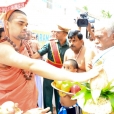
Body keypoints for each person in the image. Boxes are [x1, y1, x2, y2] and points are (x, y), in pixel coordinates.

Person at [0, 9, 101, 113]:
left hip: (31, 106)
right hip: (11, 108)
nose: (25, 27)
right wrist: (79, 76)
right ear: (7, 24)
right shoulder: (3, 48)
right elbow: (32, 64)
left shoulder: (25, 46)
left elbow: (28, 74)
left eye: (26, 24)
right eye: (20, 23)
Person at [33, 24, 70, 113]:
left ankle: (59, 111)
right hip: (48, 73)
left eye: (58, 32)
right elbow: (38, 54)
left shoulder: (69, 45)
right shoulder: (50, 44)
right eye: (55, 32)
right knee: (47, 97)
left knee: (60, 96)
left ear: (65, 34)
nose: (55, 33)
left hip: (61, 74)